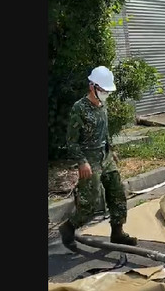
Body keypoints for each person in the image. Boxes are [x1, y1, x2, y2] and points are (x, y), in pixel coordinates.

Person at [58, 66, 138, 250]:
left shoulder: (103, 106)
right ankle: (68, 228)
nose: (106, 94)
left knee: (117, 193)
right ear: (92, 86)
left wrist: (111, 150)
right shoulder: (79, 108)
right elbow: (71, 141)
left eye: (107, 91)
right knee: (90, 202)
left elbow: (105, 131)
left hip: (105, 156)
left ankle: (117, 233)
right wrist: (82, 161)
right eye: (103, 90)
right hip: (89, 158)